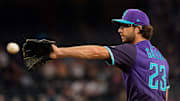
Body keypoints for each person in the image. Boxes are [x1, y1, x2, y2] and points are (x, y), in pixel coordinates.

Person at [50, 9, 169, 101]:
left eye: (125, 26)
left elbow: (96, 52)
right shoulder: (161, 58)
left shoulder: (133, 50)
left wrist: (60, 52)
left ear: (138, 29)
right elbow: (165, 94)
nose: (120, 30)